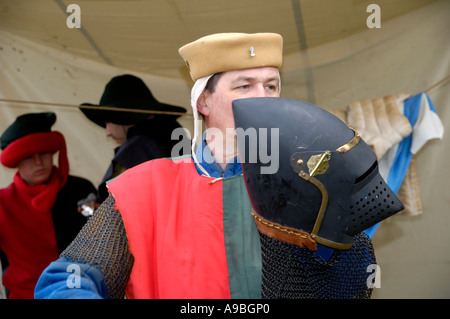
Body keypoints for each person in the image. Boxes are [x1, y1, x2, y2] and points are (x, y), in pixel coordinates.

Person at [34, 33, 402, 299]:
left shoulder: (309, 182)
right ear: (204, 102)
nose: (263, 100)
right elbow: (66, 282)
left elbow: (351, 281)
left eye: (271, 86)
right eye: (244, 86)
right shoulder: (142, 188)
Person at [0, 112, 96, 299]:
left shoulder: (80, 191)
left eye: (43, 153)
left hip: (80, 291)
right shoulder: (3, 203)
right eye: (29, 157)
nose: (38, 162)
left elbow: (97, 234)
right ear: (16, 162)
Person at [80, 74, 188, 203]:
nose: (107, 133)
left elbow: (114, 205)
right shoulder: (180, 139)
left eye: (107, 123)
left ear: (120, 118)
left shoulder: (137, 148)